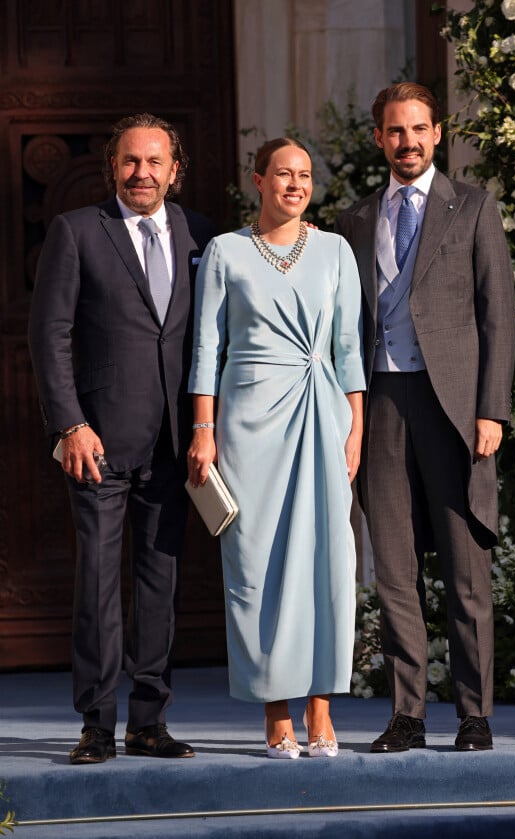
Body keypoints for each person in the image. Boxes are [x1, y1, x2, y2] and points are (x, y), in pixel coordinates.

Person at [28, 113, 215, 765]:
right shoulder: (77, 232)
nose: (142, 173)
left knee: (159, 583)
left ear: (174, 169)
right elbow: (49, 334)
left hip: (176, 444)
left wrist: (207, 426)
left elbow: (210, 341)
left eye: (155, 162)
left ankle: (148, 721)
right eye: (131, 161)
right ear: (113, 167)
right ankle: (97, 724)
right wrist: (69, 422)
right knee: (99, 585)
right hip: (98, 443)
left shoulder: (202, 236)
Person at [335, 82, 515, 753]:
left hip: (454, 409)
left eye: (417, 129)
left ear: (437, 133)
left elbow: (499, 314)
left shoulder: (472, 206)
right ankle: (407, 714)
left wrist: (491, 408)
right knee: (394, 568)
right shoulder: (354, 220)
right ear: (379, 138)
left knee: (467, 572)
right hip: (380, 402)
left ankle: (474, 713)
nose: (406, 142)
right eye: (393, 131)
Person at [187, 137, 365, 758]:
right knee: (256, 565)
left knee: (326, 559)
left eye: (305, 175)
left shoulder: (337, 250)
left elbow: (350, 348)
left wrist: (356, 427)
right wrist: (203, 430)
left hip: (323, 414)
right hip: (247, 422)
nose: (295, 184)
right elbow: (207, 347)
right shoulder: (225, 252)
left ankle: (322, 711)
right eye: (283, 174)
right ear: (257, 181)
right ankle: (276, 714)